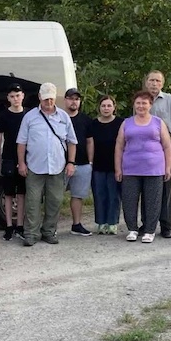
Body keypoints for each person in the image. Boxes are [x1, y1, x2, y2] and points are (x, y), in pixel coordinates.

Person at [16, 82, 77, 247]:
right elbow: (21, 142)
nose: (48, 103)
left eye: (51, 99)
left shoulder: (63, 117)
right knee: (32, 202)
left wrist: (71, 163)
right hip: (34, 167)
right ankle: (31, 234)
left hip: (57, 167)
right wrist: (21, 163)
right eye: (45, 100)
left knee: (55, 201)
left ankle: (49, 232)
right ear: (39, 98)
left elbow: (72, 142)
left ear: (54, 98)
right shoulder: (30, 117)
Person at [115, 91, 171, 244]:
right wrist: (118, 168)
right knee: (129, 200)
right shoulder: (126, 123)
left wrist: (168, 168)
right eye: (138, 103)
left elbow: (167, 146)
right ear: (134, 105)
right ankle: (132, 229)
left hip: (154, 169)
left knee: (153, 201)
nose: (141, 106)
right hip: (130, 168)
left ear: (150, 105)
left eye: (144, 103)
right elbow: (119, 146)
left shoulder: (158, 122)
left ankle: (149, 230)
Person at [145, 70, 171, 238]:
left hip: (164, 147)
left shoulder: (170, 100)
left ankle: (166, 225)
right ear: (147, 82)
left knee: (165, 185)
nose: (154, 84)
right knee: (146, 186)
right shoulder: (140, 101)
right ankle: (147, 224)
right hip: (144, 149)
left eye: (157, 81)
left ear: (162, 83)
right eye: (152, 80)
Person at [0, 83, 27, 241]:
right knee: (8, 194)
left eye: (18, 95)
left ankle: (20, 225)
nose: (15, 99)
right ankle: (8, 226)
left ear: (23, 96)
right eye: (12, 96)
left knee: (22, 194)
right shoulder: (3, 115)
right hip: (8, 158)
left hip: (25, 159)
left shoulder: (28, 114)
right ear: (8, 98)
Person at [90, 94, 124, 235]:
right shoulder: (93, 124)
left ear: (114, 107)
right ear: (99, 107)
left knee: (114, 195)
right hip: (97, 165)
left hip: (115, 165)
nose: (106, 108)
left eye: (109, 105)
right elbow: (89, 143)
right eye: (103, 105)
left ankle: (112, 223)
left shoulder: (121, 123)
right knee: (99, 194)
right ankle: (101, 222)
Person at [62, 88, 94, 236]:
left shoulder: (86, 120)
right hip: (60, 165)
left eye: (76, 99)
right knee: (55, 195)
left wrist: (90, 161)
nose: (74, 101)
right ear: (65, 100)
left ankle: (76, 224)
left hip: (82, 163)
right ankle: (50, 227)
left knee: (77, 195)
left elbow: (89, 142)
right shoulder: (59, 118)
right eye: (71, 98)